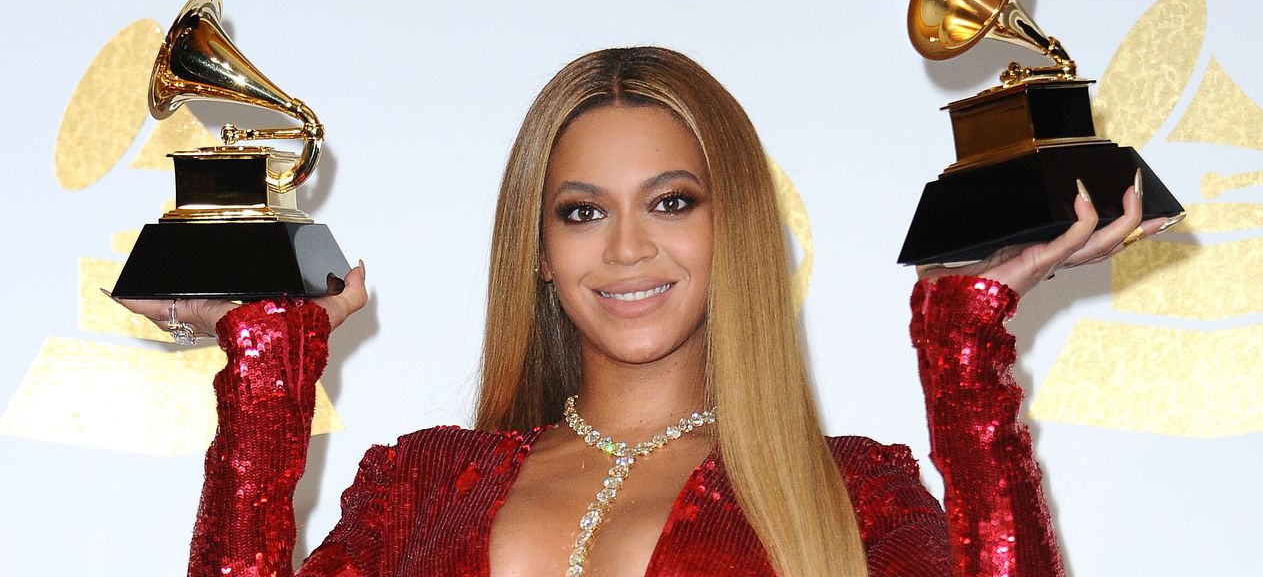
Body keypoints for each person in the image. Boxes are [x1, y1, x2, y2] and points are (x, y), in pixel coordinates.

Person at [119, 46, 1167, 576]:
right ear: (536, 249)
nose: (625, 247)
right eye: (582, 211)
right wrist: (264, 378)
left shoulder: (852, 495)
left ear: (735, 231)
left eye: (672, 202)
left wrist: (964, 347)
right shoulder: (419, 484)